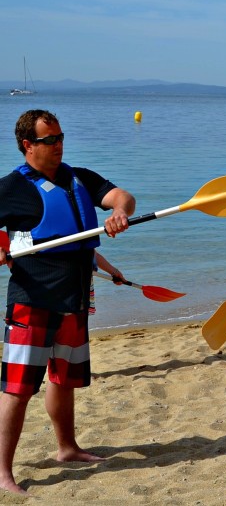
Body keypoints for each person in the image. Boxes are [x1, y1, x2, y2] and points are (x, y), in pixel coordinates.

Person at [0, 109, 136, 495]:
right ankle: (2, 472)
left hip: (75, 298)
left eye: (60, 138)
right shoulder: (10, 188)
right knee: (18, 388)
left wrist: (119, 212)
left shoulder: (80, 178)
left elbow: (121, 196)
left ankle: (67, 447)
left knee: (63, 380)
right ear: (28, 146)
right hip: (32, 301)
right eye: (50, 140)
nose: (59, 145)